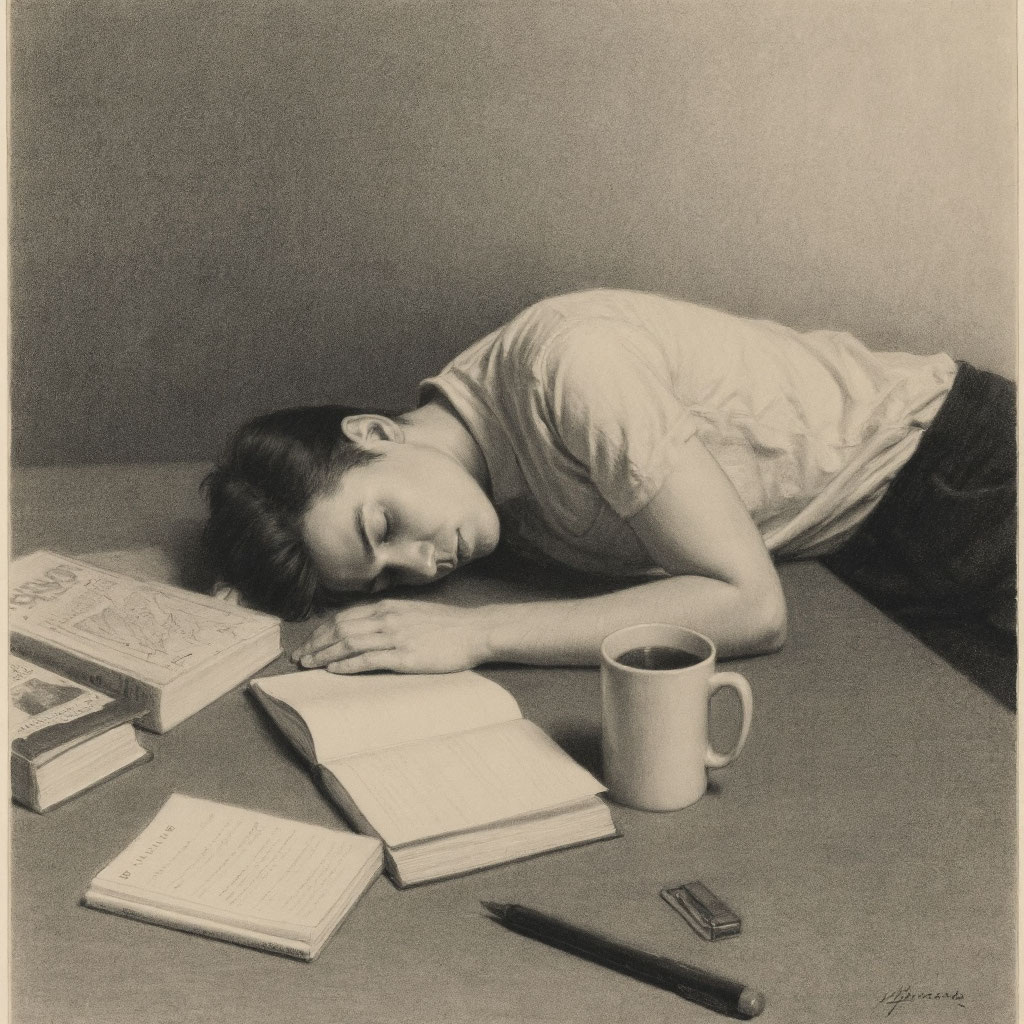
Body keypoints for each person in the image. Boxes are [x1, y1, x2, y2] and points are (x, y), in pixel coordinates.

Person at [203, 289, 1016, 675]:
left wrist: (478, 635)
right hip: (858, 552)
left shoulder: (569, 367)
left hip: (963, 473)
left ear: (376, 433)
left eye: (383, 528)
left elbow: (752, 609)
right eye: (386, 577)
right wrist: (233, 598)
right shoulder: (464, 486)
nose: (421, 565)